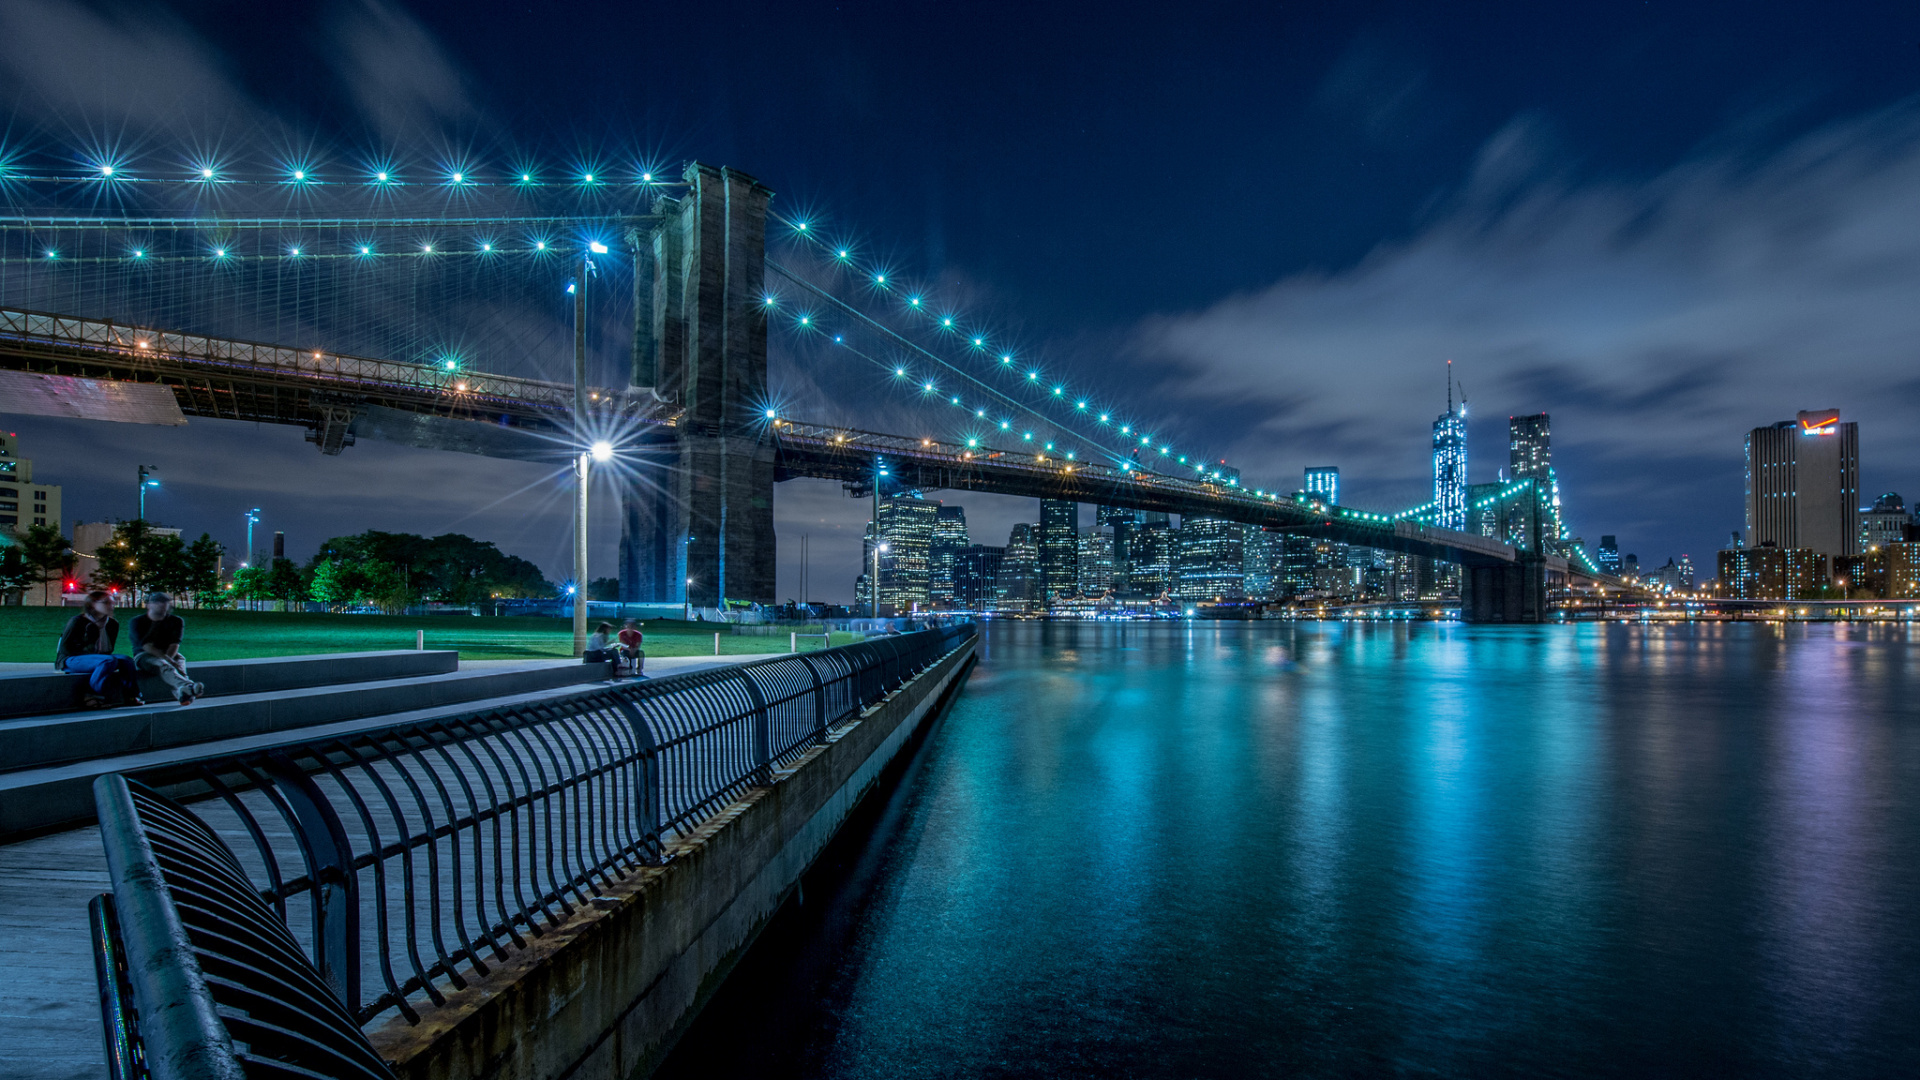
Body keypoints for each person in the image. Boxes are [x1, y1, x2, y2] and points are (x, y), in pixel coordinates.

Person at [56, 590, 142, 708]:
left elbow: (108, 649)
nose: (111, 606)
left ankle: (130, 695)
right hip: (71, 659)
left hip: (98, 658)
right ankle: (92, 695)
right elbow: (65, 648)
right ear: (92, 604)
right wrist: (91, 657)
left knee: (126, 660)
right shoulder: (77, 621)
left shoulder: (112, 624)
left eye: (113, 603)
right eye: (106, 603)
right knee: (107, 660)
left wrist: (97, 658)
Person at [131, 592, 206, 706]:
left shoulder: (176, 621)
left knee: (180, 660)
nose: (161, 605)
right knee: (163, 664)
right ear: (148, 605)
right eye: (157, 602)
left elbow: (174, 644)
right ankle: (189, 687)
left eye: (164, 602)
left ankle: (183, 693)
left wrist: (169, 658)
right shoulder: (138, 621)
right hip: (144, 656)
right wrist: (168, 661)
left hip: (169, 654)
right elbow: (146, 646)